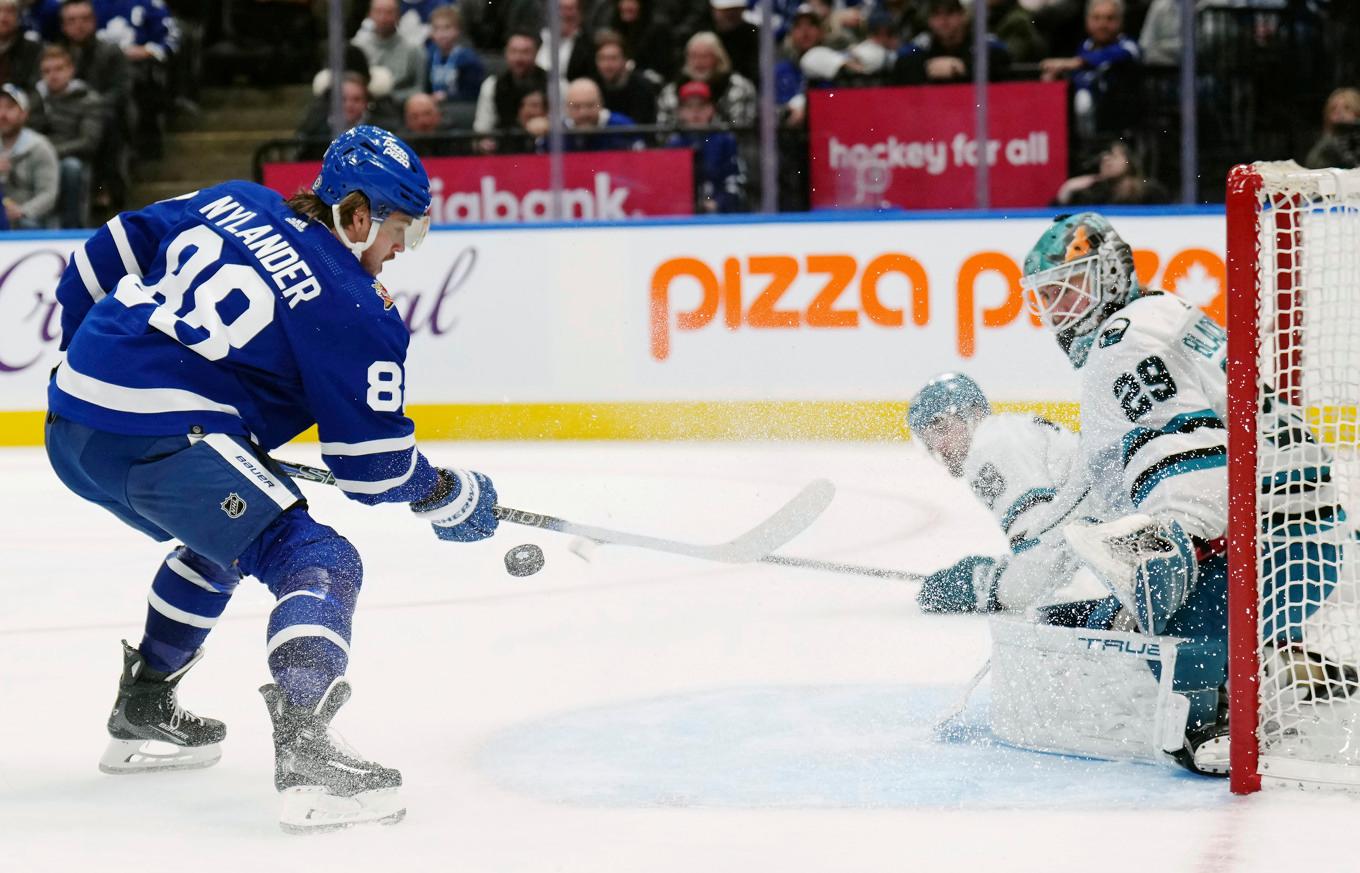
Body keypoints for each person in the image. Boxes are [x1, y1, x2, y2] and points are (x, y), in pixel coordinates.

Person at [44, 125, 499, 832]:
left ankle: (143, 707)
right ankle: (309, 755)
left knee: (227, 538)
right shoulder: (354, 303)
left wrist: (87, 363)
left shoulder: (233, 199)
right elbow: (372, 467)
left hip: (71, 421)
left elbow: (104, 252)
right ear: (357, 214)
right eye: (400, 232)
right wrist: (444, 493)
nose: (399, 254)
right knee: (318, 558)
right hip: (161, 437)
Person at [1020, 212, 1355, 774]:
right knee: (1102, 612)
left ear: (1109, 274)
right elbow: (1092, 492)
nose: (1058, 309)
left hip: (1270, 551)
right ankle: (1282, 663)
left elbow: (1184, 447)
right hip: (1309, 545)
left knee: (1162, 646)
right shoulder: (1158, 317)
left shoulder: (1124, 341)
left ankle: (1213, 721)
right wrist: (1010, 569)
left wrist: (1177, 532)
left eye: (1068, 288)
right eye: (1048, 296)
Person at [907, 372, 1107, 617]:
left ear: (973, 413)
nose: (938, 446)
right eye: (929, 439)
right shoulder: (1008, 432)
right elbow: (1051, 547)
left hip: (1117, 557)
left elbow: (1042, 570)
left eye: (941, 428)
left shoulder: (990, 448)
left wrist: (981, 584)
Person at [30, 44, 103, 228]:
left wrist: (50, 152)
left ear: (71, 70)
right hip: (36, 159)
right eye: (46, 71)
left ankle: (71, 228)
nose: (53, 75)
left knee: (71, 168)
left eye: (58, 69)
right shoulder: (35, 100)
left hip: (69, 158)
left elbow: (89, 142)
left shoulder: (89, 100)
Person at [663, 79, 746, 213]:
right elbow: (668, 186)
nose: (695, 112)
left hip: (720, 214)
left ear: (711, 109)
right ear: (681, 112)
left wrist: (719, 202)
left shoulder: (725, 140)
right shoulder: (674, 144)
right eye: (689, 106)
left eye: (701, 106)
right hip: (682, 214)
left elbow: (734, 179)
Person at [892, 0, 1011, 86]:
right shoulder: (924, 42)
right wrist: (926, 67)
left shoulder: (979, 39)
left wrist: (963, 67)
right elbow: (902, 60)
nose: (943, 20)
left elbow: (1001, 55)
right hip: (933, 109)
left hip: (974, 106)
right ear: (929, 20)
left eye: (950, 12)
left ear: (963, 16)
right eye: (936, 14)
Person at [656, 31, 756, 129]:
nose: (699, 62)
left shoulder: (740, 87)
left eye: (705, 56)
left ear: (719, 59)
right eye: (694, 56)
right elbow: (663, 132)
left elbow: (740, 130)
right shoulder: (672, 91)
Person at [0, 82, 58, 228]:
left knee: (28, 223)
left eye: (10, 108)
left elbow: (48, 194)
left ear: (24, 114)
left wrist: (22, 211)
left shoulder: (40, 146)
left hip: (28, 219)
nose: (2, 114)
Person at [353, 0, 427, 105]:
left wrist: (392, 97)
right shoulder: (358, 47)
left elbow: (420, 88)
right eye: (378, 12)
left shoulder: (414, 49)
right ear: (369, 15)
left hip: (400, 108)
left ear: (398, 16)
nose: (383, 18)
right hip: (364, 107)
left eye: (389, 12)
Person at [591, 28, 657, 125]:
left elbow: (643, 127)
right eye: (602, 58)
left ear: (625, 60)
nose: (607, 65)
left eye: (613, 58)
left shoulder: (642, 87)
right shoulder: (593, 87)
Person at [1303, 87, 1360, 170]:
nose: (1340, 112)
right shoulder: (1326, 145)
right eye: (1333, 109)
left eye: (1347, 108)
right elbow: (1312, 164)